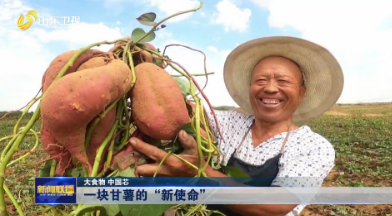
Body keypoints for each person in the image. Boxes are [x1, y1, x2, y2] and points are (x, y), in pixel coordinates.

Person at [129, 36, 344, 216]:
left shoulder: (313, 147)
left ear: (301, 93)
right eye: (260, 80)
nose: (270, 88)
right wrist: (146, 59)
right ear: (250, 88)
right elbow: (175, 106)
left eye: (283, 81)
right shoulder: (228, 122)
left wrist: (201, 171)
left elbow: (274, 205)